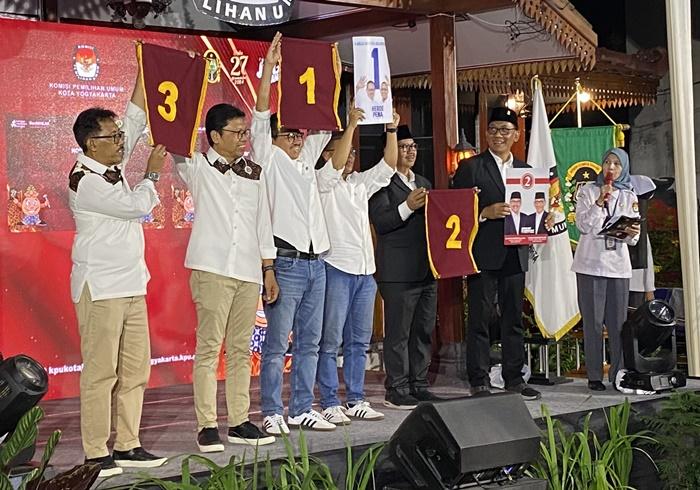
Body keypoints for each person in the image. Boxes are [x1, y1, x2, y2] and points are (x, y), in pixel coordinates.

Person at [68, 63, 167, 477]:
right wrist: (152, 175)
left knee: (134, 370)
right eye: (114, 137)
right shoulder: (85, 180)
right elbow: (135, 206)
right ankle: (96, 452)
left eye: (120, 136)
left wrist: (146, 68)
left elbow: (135, 116)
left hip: (131, 284)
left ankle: (128, 443)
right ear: (92, 144)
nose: (122, 141)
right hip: (101, 287)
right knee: (100, 372)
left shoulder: (110, 168)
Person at [173, 103, 279, 452]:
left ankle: (239, 421)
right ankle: (206, 424)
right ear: (215, 136)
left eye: (245, 132)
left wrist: (268, 269)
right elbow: (174, 136)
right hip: (212, 269)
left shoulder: (254, 172)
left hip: (248, 270)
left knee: (240, 349)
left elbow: (262, 223)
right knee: (208, 348)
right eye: (236, 132)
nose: (243, 138)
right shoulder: (197, 167)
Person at [251, 33, 337, 433]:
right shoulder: (268, 158)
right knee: (276, 345)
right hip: (284, 263)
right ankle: (271, 411)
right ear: (274, 139)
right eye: (289, 135)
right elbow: (260, 114)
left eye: (299, 135)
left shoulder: (306, 160)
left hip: (317, 263)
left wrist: (331, 72)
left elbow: (324, 119)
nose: (298, 140)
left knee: (310, 343)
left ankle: (302, 407)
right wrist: (270, 68)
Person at [315, 108, 399, 425]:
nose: (349, 158)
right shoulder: (322, 182)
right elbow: (335, 166)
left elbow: (389, 165)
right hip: (336, 268)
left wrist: (391, 130)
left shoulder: (359, 184)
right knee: (330, 341)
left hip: (365, 273)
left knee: (359, 342)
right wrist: (351, 125)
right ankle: (329, 400)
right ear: (327, 154)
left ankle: (355, 398)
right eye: (343, 151)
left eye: (352, 153)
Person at [451, 107, 541, 401]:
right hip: (483, 253)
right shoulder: (470, 167)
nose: (498, 135)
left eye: (505, 130)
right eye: (493, 130)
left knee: (513, 318)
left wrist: (543, 219)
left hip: (516, 253)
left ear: (516, 135)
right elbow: (455, 211)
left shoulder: (527, 171)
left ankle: (514, 378)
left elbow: (534, 209)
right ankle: (479, 380)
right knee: (480, 317)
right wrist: (483, 213)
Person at [369, 125, 440, 410]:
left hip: (427, 268)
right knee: (399, 333)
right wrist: (408, 206)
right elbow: (382, 221)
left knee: (423, 329)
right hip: (397, 271)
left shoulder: (423, 181)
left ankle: (419, 384)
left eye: (413, 146)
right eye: (403, 147)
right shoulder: (381, 182)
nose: (410, 151)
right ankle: (396, 388)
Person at [571, 148, 640, 391]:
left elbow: (635, 237)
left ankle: (618, 374)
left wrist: (629, 231)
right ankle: (594, 375)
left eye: (616, 164)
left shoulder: (629, 194)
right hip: (590, 265)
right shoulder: (588, 191)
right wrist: (600, 201)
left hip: (618, 267)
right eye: (607, 162)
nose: (611, 168)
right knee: (593, 322)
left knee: (618, 324)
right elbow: (583, 225)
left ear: (623, 168)